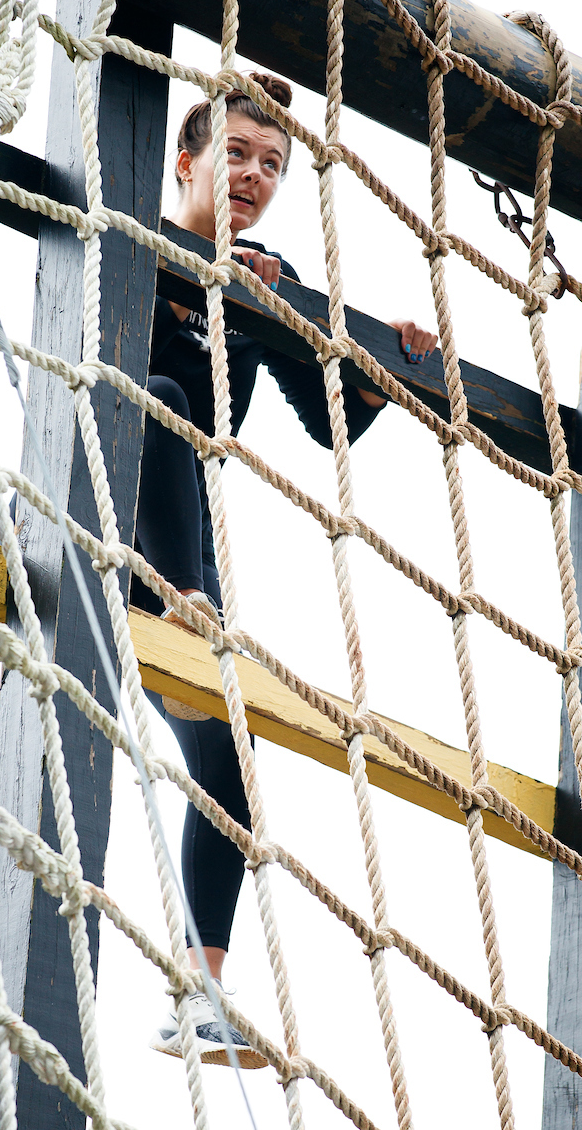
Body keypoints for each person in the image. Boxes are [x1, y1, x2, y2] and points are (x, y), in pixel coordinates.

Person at [132, 74, 436, 1068]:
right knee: (167, 391)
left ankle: (198, 996)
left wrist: (385, 362)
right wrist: (197, 284)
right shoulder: (135, 231)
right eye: (236, 154)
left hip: (177, 550)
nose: (254, 175)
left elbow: (330, 420)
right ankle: (185, 604)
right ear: (186, 163)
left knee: (228, 757)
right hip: (97, 495)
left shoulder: (265, 272)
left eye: (272, 163)